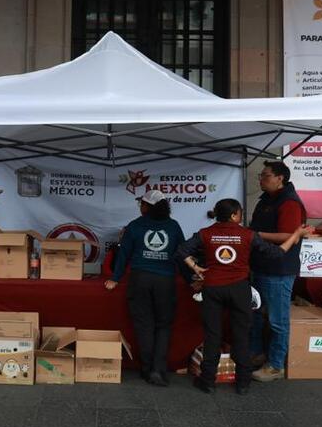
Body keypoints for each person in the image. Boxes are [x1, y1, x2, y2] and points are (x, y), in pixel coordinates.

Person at [176, 198, 310, 395]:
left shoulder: (205, 233)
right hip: (239, 289)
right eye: (239, 212)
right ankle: (243, 383)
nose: (241, 215)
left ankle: (208, 381)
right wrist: (296, 235)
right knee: (241, 335)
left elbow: (181, 250)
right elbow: (277, 253)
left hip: (213, 289)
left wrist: (195, 267)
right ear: (233, 215)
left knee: (212, 335)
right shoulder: (248, 234)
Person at [104, 189, 186, 387]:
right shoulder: (173, 226)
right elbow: (182, 255)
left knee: (144, 325)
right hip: (165, 281)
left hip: (140, 280)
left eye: (142, 203)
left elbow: (124, 254)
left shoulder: (135, 225)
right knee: (163, 325)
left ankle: (147, 369)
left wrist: (115, 278)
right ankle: (158, 370)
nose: (140, 206)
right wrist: (190, 279)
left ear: (147, 207)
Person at [248, 160, 309, 383]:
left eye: (265, 176)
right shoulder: (266, 199)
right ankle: (256, 355)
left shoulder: (289, 203)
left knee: (277, 320)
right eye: (261, 176)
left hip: (279, 270)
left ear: (280, 178)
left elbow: (288, 236)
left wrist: (255, 235)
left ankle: (275, 365)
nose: (261, 180)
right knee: (256, 315)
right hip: (260, 266)